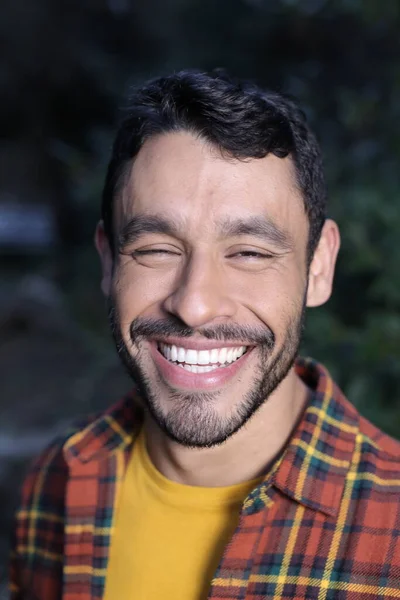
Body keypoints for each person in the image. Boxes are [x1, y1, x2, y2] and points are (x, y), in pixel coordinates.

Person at [10, 70, 400, 600]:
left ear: (318, 268)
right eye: (156, 249)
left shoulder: (391, 527)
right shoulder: (56, 480)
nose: (194, 305)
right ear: (108, 260)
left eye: (249, 253)